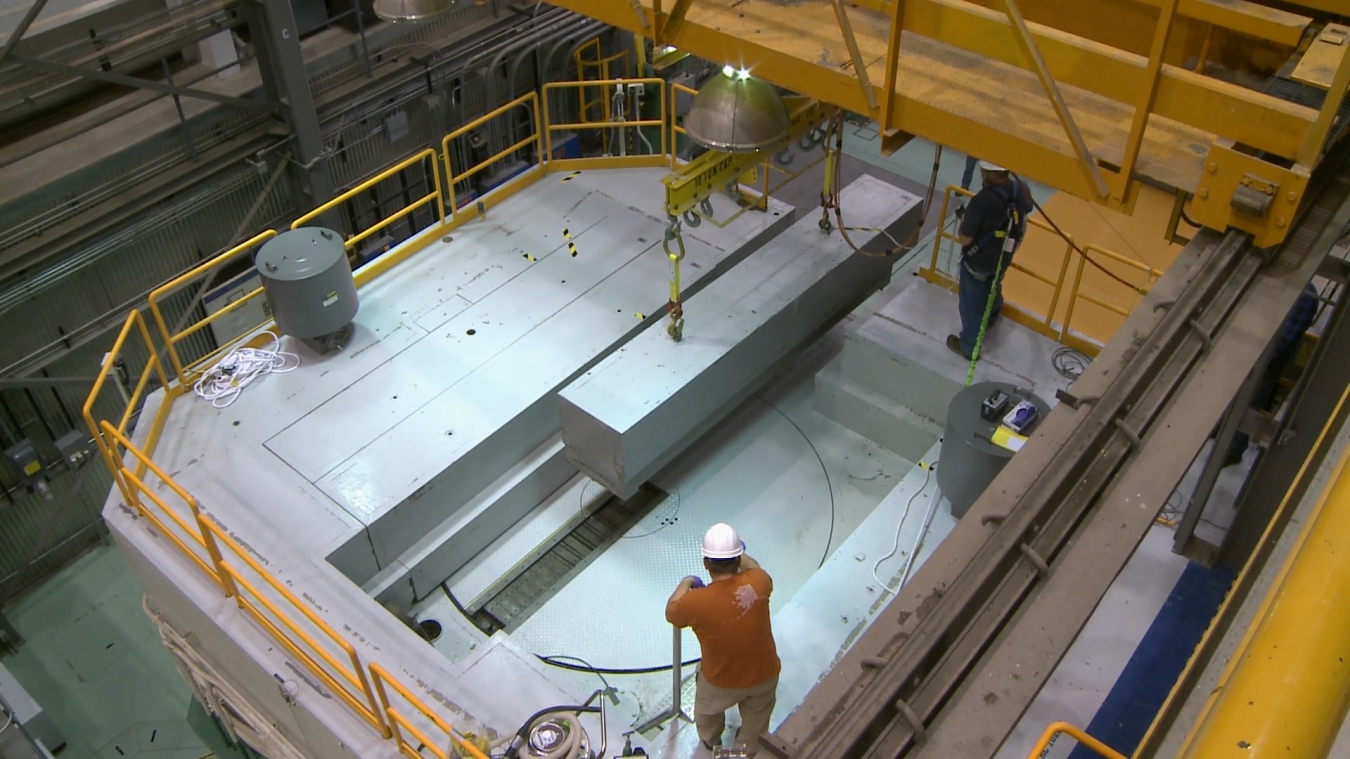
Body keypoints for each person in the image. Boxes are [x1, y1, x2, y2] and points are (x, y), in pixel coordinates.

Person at [666, 523, 780, 757]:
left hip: (721, 680)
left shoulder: (695, 602)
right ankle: (747, 747)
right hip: (765, 672)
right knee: (758, 715)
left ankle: (710, 740)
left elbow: (672, 612)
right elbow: (755, 567)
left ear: (706, 563)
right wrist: (740, 553)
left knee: (707, 711)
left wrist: (687, 582)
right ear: (738, 560)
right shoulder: (759, 582)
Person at [1222, 283, 1319, 467]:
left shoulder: (1306, 295)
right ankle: (1222, 436)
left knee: (1251, 402)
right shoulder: (1291, 291)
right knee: (1236, 396)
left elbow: (1286, 338)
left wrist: (1259, 355)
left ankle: (1233, 450)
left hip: (1269, 361)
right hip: (1257, 353)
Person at [947, 160, 1034, 360]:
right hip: (1004, 256)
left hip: (980, 261)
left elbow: (965, 238)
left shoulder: (982, 201)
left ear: (994, 174)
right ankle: (992, 315)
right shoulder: (1019, 189)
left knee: (971, 302)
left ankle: (969, 346)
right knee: (994, 284)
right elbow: (1026, 208)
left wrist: (964, 220)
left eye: (985, 172)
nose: (982, 175)